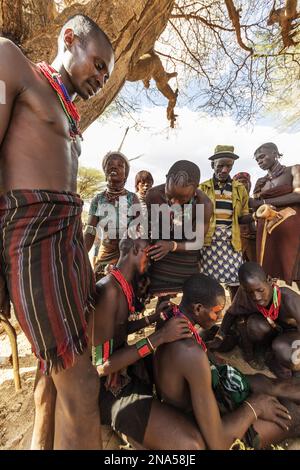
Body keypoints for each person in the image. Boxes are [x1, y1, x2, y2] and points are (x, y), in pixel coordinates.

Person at [0, 14, 114, 449]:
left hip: (65, 241)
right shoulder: (10, 63)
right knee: (83, 387)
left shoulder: (68, 115)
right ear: (69, 38)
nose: (101, 78)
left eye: (107, 73)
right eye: (98, 64)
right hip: (32, 239)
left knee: (54, 372)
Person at [154, 273, 300, 449]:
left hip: (211, 393)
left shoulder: (170, 316)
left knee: (268, 384)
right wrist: (254, 407)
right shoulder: (190, 354)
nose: (221, 315)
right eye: (217, 311)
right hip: (203, 421)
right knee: (293, 416)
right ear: (198, 308)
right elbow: (218, 443)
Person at [93, 237, 205, 449]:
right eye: (148, 252)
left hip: (124, 370)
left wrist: (153, 319)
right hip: (106, 389)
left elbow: (116, 332)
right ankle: (125, 428)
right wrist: (160, 337)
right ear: (135, 249)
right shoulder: (108, 291)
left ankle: (134, 432)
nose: (152, 259)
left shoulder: (121, 287)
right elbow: (100, 365)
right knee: (192, 445)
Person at [210, 262, 300, 379]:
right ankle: (269, 355)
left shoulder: (289, 298)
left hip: (291, 334)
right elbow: (231, 313)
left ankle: (277, 355)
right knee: (254, 325)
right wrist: (219, 337)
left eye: (260, 290)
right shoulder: (245, 293)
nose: (256, 297)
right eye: (250, 292)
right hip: (269, 331)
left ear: (269, 280)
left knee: (288, 354)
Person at [145, 160, 213, 297]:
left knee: (188, 303)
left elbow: (197, 242)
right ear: (166, 180)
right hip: (160, 258)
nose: (174, 203)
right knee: (162, 301)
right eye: (170, 196)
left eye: (182, 198)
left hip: (186, 259)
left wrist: (172, 245)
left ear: (195, 190)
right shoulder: (153, 195)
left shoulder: (204, 204)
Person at [200, 145, 251, 300]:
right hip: (208, 241)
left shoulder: (239, 189)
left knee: (236, 282)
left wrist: (257, 216)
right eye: (220, 165)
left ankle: (236, 316)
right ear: (212, 165)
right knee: (208, 284)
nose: (224, 170)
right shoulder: (202, 188)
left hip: (231, 241)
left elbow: (242, 216)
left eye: (228, 166)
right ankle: (209, 320)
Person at [84, 151, 140, 279]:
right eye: (110, 164)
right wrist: (80, 255)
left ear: (125, 176)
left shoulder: (132, 198)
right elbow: (90, 231)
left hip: (126, 254)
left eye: (120, 165)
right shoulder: (98, 200)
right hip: (105, 253)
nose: (114, 167)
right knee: (97, 286)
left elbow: (137, 229)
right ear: (105, 172)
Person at [251, 142, 300, 285]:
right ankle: (277, 306)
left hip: (292, 232)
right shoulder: (261, 182)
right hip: (267, 232)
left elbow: (298, 196)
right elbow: (255, 207)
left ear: (275, 153)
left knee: (296, 271)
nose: (259, 161)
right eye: (257, 159)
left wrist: (264, 202)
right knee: (270, 276)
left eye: (262, 156)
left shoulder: (294, 170)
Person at [233, 172, 257, 263]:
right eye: (239, 182)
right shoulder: (232, 201)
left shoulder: (256, 201)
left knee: (256, 266)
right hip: (238, 239)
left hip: (254, 239)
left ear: (249, 185)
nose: (242, 184)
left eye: (245, 182)